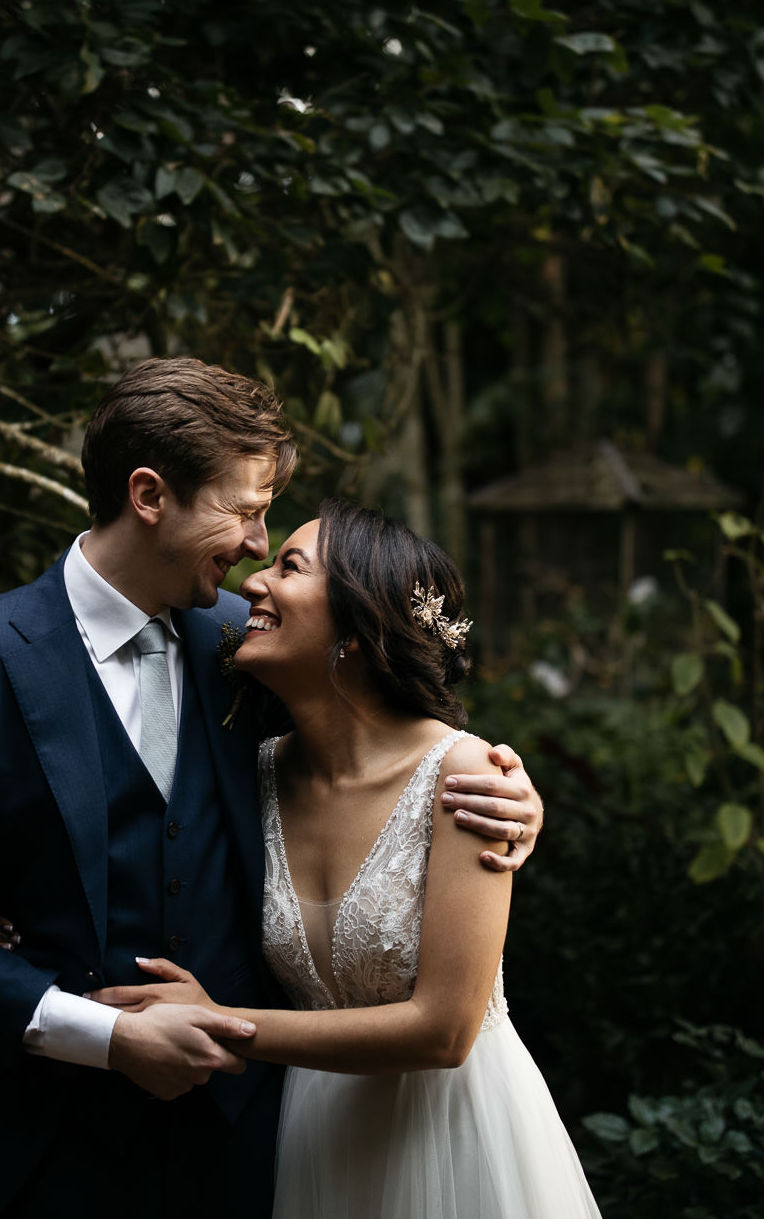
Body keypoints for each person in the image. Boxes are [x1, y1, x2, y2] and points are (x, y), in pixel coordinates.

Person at [0, 359, 545, 1218]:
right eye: (247, 510)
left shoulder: (253, 642)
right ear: (151, 496)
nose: (259, 550)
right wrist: (108, 1037)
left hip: (249, 1145)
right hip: (39, 1151)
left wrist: (512, 794)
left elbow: (384, 750)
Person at [93, 499, 601, 1218]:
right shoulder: (255, 774)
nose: (253, 584)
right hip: (313, 1132)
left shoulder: (470, 781)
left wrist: (217, 1024)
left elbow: (446, 1031)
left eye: (289, 567)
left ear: (357, 629)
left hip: (458, 1138)